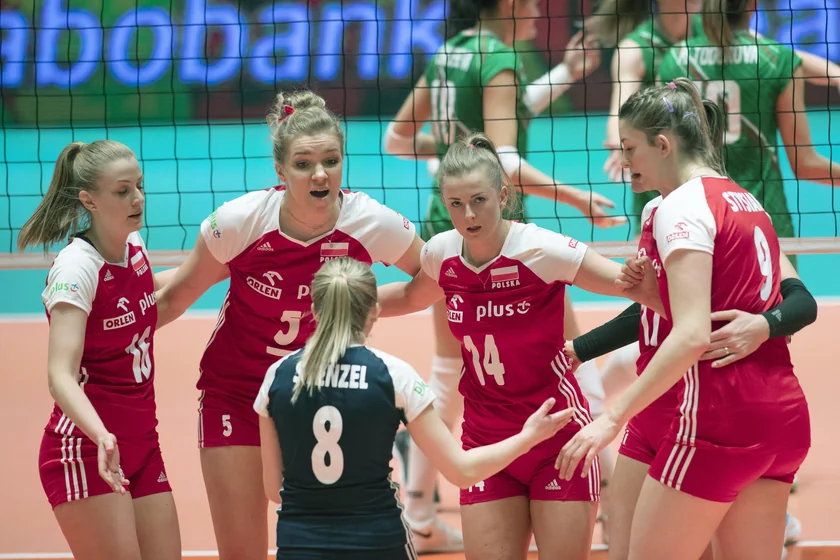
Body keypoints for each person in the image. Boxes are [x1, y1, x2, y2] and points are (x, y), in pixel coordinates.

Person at [384, 0, 623, 545]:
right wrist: (577, 198)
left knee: (449, 369)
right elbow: (506, 160)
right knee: (569, 357)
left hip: (446, 224)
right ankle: (608, 498)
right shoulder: (499, 58)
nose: (537, 8)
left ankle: (418, 513)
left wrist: (562, 76)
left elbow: (397, 140)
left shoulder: (450, 53)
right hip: (500, 233)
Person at [154, 90, 426, 560]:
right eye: (303, 164)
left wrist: (347, 306)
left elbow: (428, 281)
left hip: (322, 394)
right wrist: (104, 343)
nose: (320, 174)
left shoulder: (371, 223)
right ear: (281, 171)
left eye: (331, 161)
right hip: (236, 393)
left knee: (329, 545)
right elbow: (176, 295)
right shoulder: (239, 222)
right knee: (242, 551)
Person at [555, 78, 813, 560]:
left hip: (714, 414)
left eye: (629, 147)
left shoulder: (682, 207)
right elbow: (703, 314)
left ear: (663, 144)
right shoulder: (745, 200)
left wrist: (610, 417)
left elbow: (694, 332)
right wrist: (651, 299)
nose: (623, 159)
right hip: (781, 415)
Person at [377, 132, 658, 559]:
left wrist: (642, 278)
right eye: (456, 204)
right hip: (486, 442)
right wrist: (336, 301)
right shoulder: (441, 254)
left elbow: (630, 288)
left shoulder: (541, 249)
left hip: (556, 435)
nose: (469, 215)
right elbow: (409, 297)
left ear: (503, 195)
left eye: (479, 200)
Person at [254, 256, 575, 560]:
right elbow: (461, 471)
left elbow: (274, 490)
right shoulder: (393, 376)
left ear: (314, 310)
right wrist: (528, 437)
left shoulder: (277, 376)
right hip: (378, 541)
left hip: (300, 543)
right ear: (375, 310)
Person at [18, 140, 181, 560]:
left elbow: (146, 299)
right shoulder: (76, 269)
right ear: (89, 200)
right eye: (123, 190)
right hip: (88, 449)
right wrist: (102, 435)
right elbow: (59, 376)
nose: (138, 198)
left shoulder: (134, 245)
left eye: (140, 186)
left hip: (142, 444)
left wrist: (225, 263)